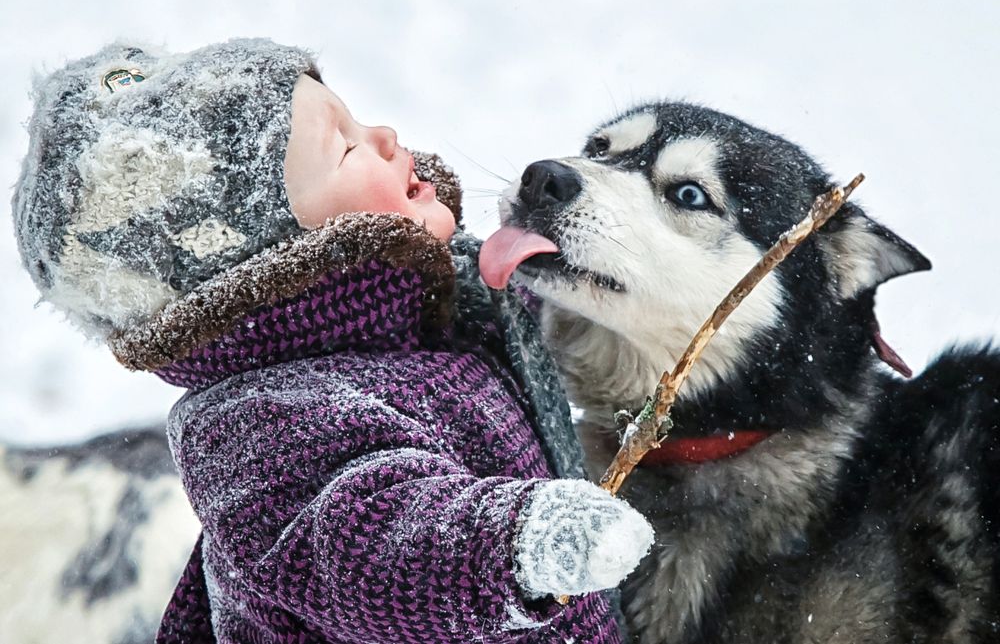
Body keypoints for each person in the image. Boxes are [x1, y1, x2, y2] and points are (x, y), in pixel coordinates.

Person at [12, 39, 654, 643]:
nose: (384, 137)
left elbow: (549, 321)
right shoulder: (253, 426)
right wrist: (516, 542)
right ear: (271, 256)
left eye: (356, 121)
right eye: (345, 148)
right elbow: (366, 542)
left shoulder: (426, 310)